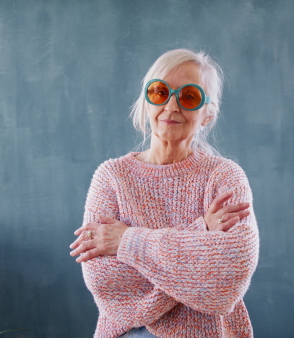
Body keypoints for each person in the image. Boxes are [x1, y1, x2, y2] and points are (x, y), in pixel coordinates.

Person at [69, 48, 259, 338]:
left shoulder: (224, 176)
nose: (171, 106)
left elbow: (226, 283)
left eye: (189, 96)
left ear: (207, 114)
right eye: (160, 92)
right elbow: (105, 279)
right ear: (147, 101)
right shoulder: (112, 177)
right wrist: (201, 235)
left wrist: (126, 240)